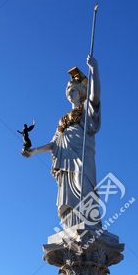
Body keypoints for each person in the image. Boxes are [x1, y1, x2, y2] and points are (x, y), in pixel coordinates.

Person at [21, 57, 101, 228]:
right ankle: (72, 225)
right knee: (69, 194)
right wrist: (34, 151)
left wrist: (94, 70)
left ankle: (91, 223)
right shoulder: (63, 119)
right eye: (68, 91)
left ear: (80, 92)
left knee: (83, 185)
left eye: (73, 90)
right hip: (65, 158)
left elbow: (95, 96)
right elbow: (54, 143)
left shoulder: (85, 110)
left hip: (81, 154)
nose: (69, 93)